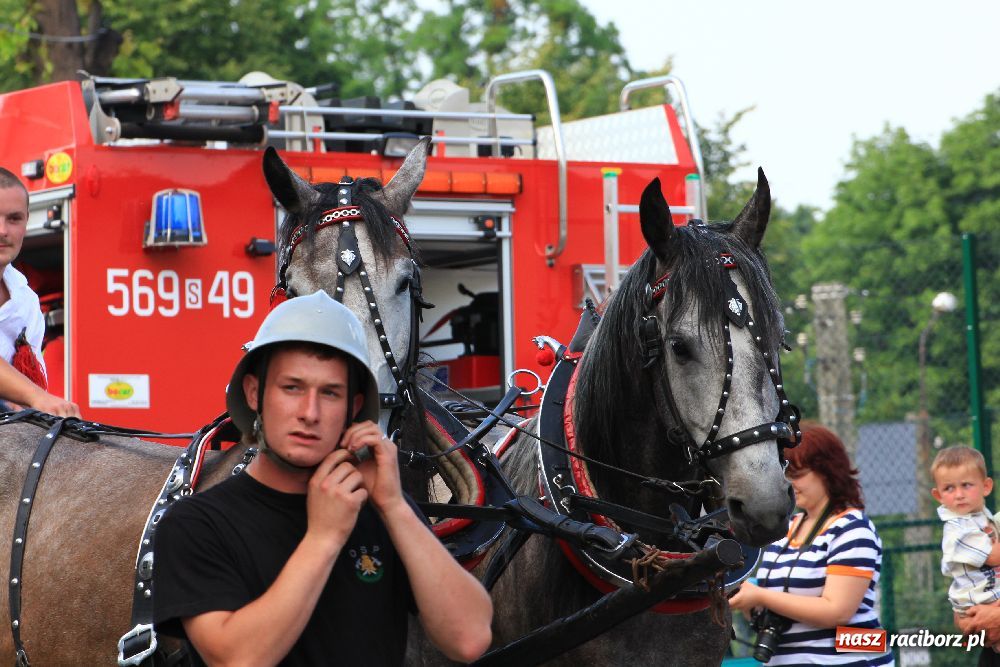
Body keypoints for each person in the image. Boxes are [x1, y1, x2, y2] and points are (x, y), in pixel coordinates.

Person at [152, 290, 492, 666]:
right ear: (254, 393)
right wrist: (324, 537)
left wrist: (395, 507)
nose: (309, 413)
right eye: (292, 388)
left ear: (354, 407)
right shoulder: (197, 524)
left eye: (330, 393)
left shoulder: (382, 511)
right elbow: (236, 659)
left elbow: (470, 638)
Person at [728, 423, 891, 665]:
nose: (788, 483)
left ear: (828, 471)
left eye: (798, 474)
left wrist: (759, 595)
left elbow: (837, 611)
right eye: (785, 473)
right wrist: (744, 600)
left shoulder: (852, 528)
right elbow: (771, 604)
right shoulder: (787, 528)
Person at [0, 167, 79, 417]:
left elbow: (25, 390)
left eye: (14, 219)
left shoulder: (26, 301)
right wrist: (37, 397)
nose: (3, 230)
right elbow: (33, 394)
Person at [934, 446, 1000, 665]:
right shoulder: (958, 528)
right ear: (938, 495)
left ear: (986, 486)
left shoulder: (979, 518)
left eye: (966, 485)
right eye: (949, 488)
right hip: (978, 601)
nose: (959, 494)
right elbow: (994, 556)